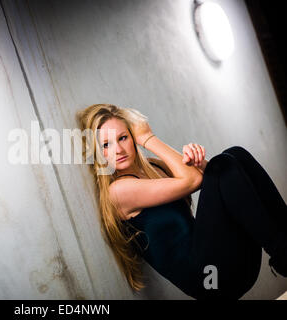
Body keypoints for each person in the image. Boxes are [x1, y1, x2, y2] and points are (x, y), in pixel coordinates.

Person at [75, 103, 287, 299]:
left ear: (132, 137)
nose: (118, 150)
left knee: (235, 154)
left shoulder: (154, 167)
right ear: (97, 152)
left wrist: (197, 159)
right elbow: (194, 180)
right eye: (106, 144)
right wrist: (148, 137)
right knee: (224, 162)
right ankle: (283, 253)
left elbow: (218, 177)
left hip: (229, 260)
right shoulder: (119, 191)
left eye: (123, 138)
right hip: (210, 278)